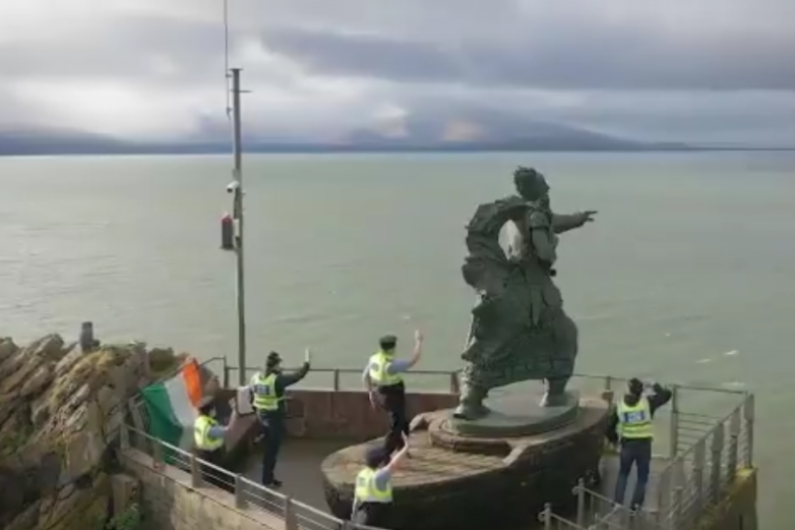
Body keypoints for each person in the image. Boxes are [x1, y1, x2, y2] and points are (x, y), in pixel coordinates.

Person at [606, 377, 673, 510]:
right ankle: (635, 507)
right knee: (642, 477)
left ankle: (617, 503)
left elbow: (609, 428)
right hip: (644, 445)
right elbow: (667, 395)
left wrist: (614, 440)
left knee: (623, 473)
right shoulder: (648, 403)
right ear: (641, 391)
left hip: (627, 444)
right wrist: (654, 384)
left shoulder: (620, 406)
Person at [249, 348, 312, 488]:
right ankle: (267, 480)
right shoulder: (276, 380)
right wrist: (306, 365)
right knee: (272, 450)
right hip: (273, 418)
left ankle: (269, 476)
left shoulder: (255, 378)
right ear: (275, 365)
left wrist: (256, 408)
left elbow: (251, 395)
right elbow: (297, 376)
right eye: (279, 364)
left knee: (269, 448)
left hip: (261, 415)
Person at [362, 330, 423, 455]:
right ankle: (385, 453)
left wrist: (371, 394)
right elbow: (413, 360)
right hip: (393, 396)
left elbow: (365, 376)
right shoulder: (390, 365)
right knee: (396, 426)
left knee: (403, 421)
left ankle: (402, 447)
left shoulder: (374, 359)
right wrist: (419, 341)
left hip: (380, 393)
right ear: (392, 348)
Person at [351, 434, 410, 527]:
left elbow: (356, 499)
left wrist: (353, 517)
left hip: (364, 512)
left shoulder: (362, 474)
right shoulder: (379, 476)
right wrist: (406, 446)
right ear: (381, 463)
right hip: (379, 513)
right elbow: (394, 463)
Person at [194, 396, 237, 490]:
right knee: (218, 479)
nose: (214, 410)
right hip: (213, 456)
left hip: (202, 454)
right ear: (210, 410)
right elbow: (229, 430)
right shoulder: (210, 428)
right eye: (213, 408)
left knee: (209, 478)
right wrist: (234, 411)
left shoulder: (199, 421)